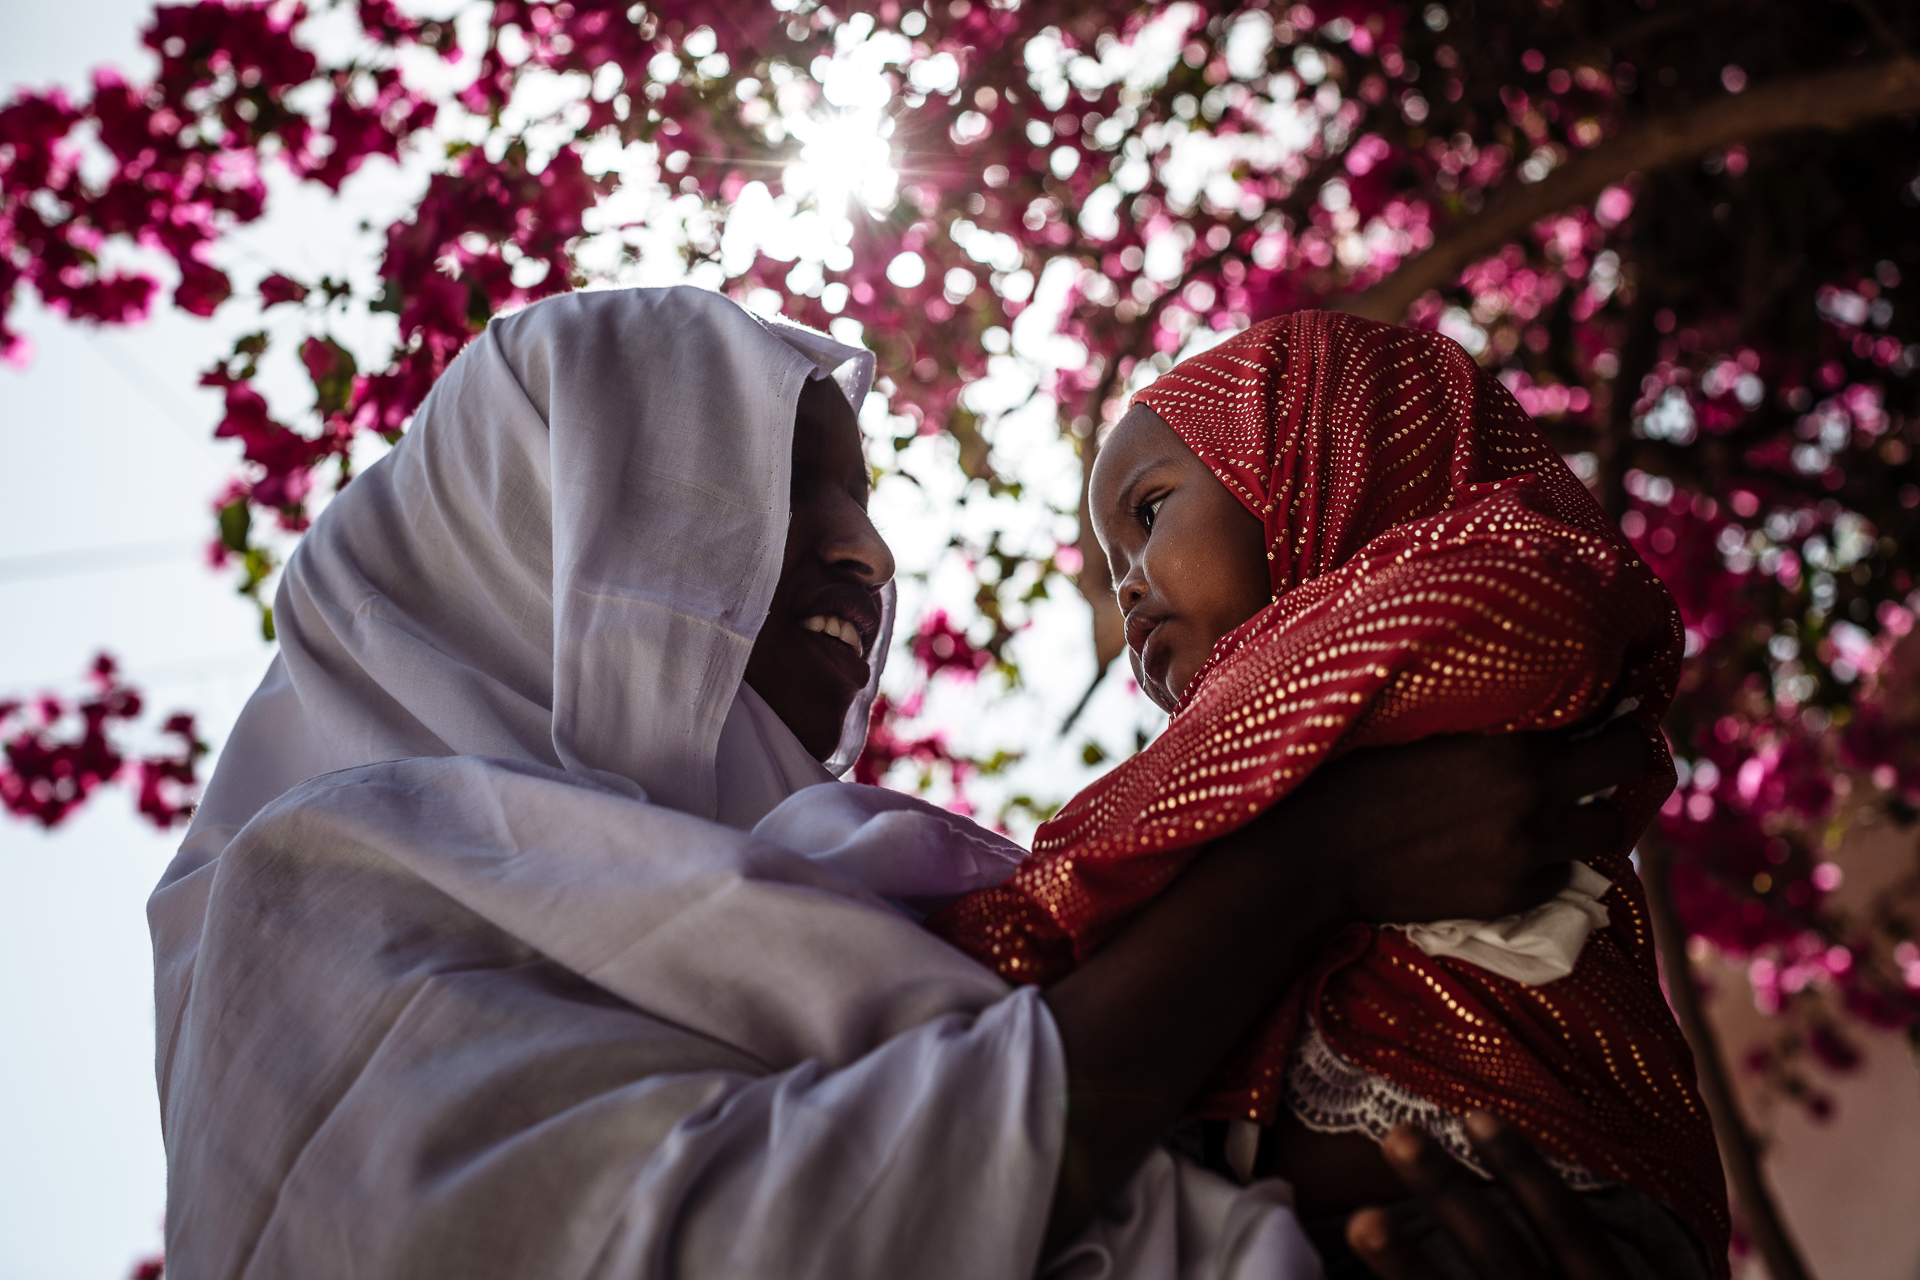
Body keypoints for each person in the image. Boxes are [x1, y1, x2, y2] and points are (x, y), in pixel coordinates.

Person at [149, 286, 1660, 1278]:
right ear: (542, 544)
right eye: (759, 490)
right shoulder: (337, 904)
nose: (866, 556)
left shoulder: (898, 897)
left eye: (863, 506)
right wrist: (1304, 869)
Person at [928, 313, 1725, 1279]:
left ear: (1318, 461)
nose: (1129, 589)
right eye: (1112, 569)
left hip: (1544, 1216)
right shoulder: (1272, 736)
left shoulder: (1480, 575)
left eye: (1147, 515)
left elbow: (1103, 861)